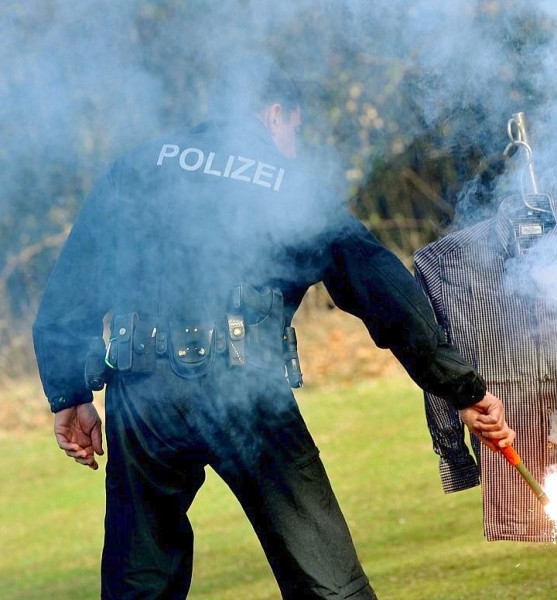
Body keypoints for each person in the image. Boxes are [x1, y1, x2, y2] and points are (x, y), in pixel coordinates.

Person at [32, 57, 515, 599]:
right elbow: (382, 288)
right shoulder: (289, 186)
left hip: (142, 401)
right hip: (245, 395)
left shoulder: (138, 166)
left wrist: (69, 393)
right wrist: (460, 388)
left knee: (138, 584)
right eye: (295, 130)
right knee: (329, 583)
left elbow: (72, 285)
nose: (293, 143)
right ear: (275, 114)